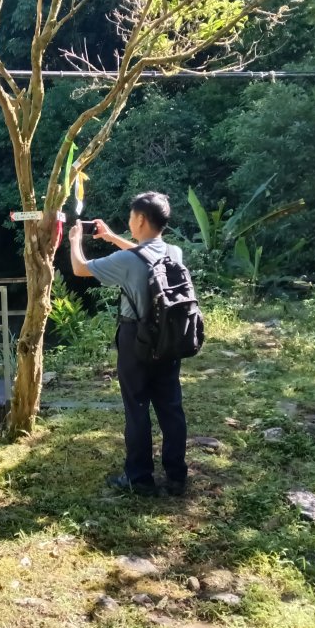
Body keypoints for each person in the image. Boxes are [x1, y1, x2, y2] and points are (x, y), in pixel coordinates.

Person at [67, 191, 188, 497]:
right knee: (171, 407)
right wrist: (111, 237)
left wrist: (74, 240)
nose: (130, 222)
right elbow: (142, 254)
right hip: (170, 338)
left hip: (137, 339)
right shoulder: (174, 253)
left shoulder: (126, 261)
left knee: (137, 407)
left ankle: (139, 478)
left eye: (132, 216)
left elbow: (81, 268)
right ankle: (176, 476)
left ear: (141, 219)